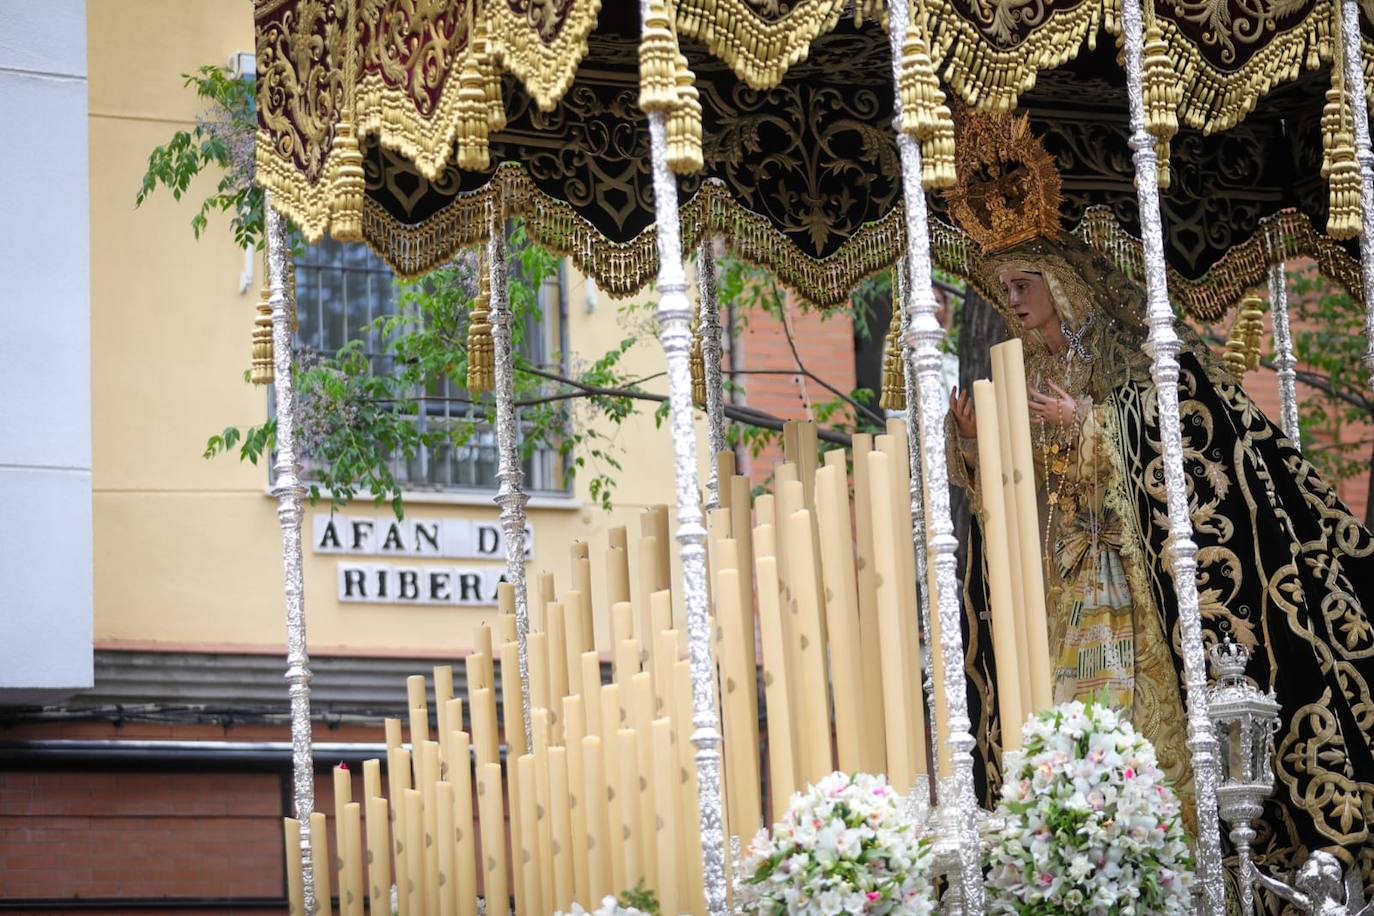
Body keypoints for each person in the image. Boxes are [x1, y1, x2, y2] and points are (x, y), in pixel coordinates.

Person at [941, 110, 1374, 911]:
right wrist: (972, 448)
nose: (1014, 302)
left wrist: (1091, 426)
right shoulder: (1016, 373)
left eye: (1022, 285)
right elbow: (1008, 499)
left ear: (1061, 284)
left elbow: (1178, 434)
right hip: (1055, 580)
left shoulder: (1121, 356)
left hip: (1123, 572)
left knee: (1135, 713)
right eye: (1003, 291)